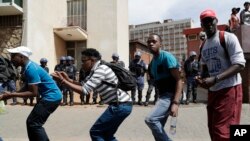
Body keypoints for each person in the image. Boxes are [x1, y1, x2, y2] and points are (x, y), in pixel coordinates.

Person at [52, 48, 132, 141]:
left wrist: (62, 81)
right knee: (107, 135)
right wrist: (67, 79)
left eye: (83, 61)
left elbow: (85, 90)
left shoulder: (101, 69)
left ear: (92, 60)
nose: (82, 64)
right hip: (121, 105)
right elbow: (83, 84)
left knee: (96, 132)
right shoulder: (95, 70)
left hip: (120, 105)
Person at [197, 9, 245, 141]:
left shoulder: (227, 37)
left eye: (211, 20)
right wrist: (201, 79)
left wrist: (216, 78)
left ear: (216, 21)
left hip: (229, 89)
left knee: (223, 132)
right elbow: (205, 68)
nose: (208, 24)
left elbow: (240, 64)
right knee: (213, 129)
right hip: (213, 92)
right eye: (205, 22)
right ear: (202, 25)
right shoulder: (204, 46)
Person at [0, 46, 62, 141]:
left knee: (34, 124)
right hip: (51, 97)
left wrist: (11, 95)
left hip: (51, 98)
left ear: (22, 57)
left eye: (13, 56)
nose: (11, 59)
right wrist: (13, 93)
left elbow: (33, 93)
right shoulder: (28, 67)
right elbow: (28, 87)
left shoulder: (31, 69)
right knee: (32, 123)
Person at [145, 33, 183, 141]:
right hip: (162, 97)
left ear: (160, 44)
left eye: (154, 41)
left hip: (169, 97)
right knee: (157, 132)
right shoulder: (152, 63)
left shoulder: (167, 57)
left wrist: (175, 103)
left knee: (150, 120)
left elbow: (179, 80)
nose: (151, 43)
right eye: (149, 42)